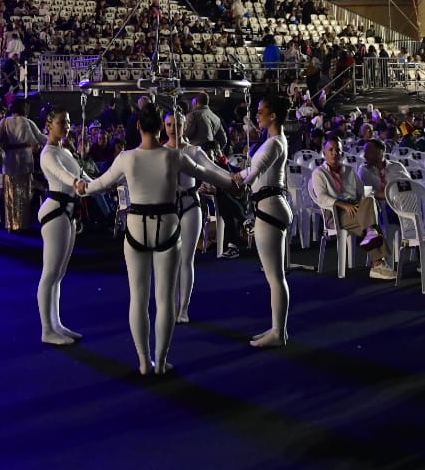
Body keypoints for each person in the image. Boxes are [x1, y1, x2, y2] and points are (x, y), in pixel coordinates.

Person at [76, 104, 229, 375]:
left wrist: (81, 186)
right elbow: (209, 173)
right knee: (165, 298)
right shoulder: (173, 156)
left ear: (138, 127)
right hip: (167, 227)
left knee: (138, 297)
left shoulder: (126, 157)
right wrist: (236, 179)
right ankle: (161, 360)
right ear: (161, 127)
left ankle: (145, 362)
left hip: (136, 227)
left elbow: (99, 184)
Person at [231, 93, 292, 348]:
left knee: (275, 277)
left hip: (270, 208)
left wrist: (234, 180)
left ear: (273, 115)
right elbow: (249, 172)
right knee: (274, 276)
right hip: (270, 206)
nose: (257, 115)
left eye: (260, 110)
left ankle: (278, 332)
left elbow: (251, 174)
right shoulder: (273, 142)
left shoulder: (274, 143)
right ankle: (279, 329)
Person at [165, 110, 236, 325]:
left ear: (184, 125)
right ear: (163, 126)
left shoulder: (194, 151)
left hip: (190, 204)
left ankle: (184, 307)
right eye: (169, 124)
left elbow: (212, 169)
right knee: (168, 261)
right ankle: (170, 304)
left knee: (186, 259)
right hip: (167, 207)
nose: (173, 128)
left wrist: (235, 178)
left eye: (177, 124)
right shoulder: (160, 151)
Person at [309, 135, 393, 279]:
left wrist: (367, 200)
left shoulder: (349, 170)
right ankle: (378, 263)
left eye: (338, 150)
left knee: (369, 199)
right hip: (335, 213)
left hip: (355, 210)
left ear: (342, 153)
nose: (335, 153)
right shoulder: (319, 173)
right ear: (324, 153)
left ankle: (374, 247)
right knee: (371, 223)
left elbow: (362, 192)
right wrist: (343, 204)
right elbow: (321, 197)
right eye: (331, 150)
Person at [36, 110, 84, 345]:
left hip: (69, 211)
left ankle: (56, 324)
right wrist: (77, 182)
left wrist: (109, 181)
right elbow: (61, 174)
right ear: (49, 125)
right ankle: (47, 329)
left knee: (59, 274)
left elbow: (81, 175)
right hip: (56, 211)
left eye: (67, 121)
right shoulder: (47, 153)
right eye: (61, 122)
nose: (66, 125)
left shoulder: (65, 150)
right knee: (50, 273)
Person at [0, 100, 44, 233]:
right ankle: (21, 224)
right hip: (25, 159)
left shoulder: (5, 122)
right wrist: (57, 140)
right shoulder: (27, 122)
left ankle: (10, 224)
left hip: (9, 159)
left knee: (9, 193)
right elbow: (40, 137)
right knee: (23, 193)